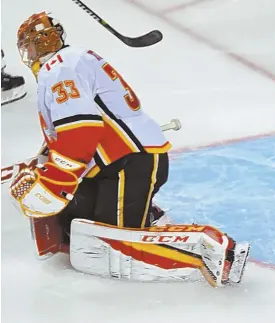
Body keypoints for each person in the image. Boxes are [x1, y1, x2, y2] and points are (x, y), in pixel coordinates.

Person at [9, 12, 249, 287]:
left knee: (111, 243)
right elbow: (71, 128)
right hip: (113, 163)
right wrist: (46, 164)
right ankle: (146, 213)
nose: (27, 53)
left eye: (28, 46)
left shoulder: (60, 68)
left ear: (38, 44)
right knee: (73, 227)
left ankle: (216, 252)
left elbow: (81, 130)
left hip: (127, 163)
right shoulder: (69, 62)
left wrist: (55, 180)